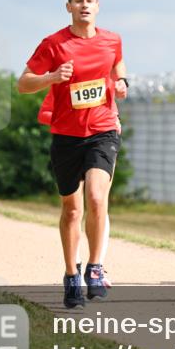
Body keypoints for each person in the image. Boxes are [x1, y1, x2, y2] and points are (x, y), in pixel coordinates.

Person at [17, 0, 127, 308]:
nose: (84, 5)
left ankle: (95, 267)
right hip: (66, 135)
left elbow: (118, 69)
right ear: (69, 7)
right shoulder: (53, 44)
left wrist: (121, 83)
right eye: (78, 0)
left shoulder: (112, 40)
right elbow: (23, 83)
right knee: (72, 208)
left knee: (95, 196)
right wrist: (51, 78)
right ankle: (71, 274)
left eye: (89, 0)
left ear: (97, 6)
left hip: (103, 130)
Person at [38, 91, 115, 288]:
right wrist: (69, 116)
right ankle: (76, 266)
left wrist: (115, 119)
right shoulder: (63, 87)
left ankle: (97, 266)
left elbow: (112, 109)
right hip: (70, 142)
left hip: (101, 139)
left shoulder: (105, 77)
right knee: (74, 210)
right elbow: (44, 113)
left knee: (98, 200)